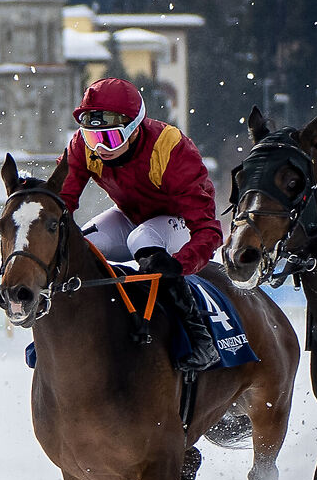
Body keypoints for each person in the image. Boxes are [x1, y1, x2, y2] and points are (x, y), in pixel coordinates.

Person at [53, 77, 223, 372]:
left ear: (133, 130)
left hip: (180, 222)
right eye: (92, 138)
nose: (100, 148)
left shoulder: (170, 148)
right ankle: (57, 334)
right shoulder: (82, 146)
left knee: (142, 238)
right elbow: (62, 202)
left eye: (111, 139)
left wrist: (180, 264)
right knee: (76, 245)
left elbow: (208, 229)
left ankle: (201, 340)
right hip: (130, 216)